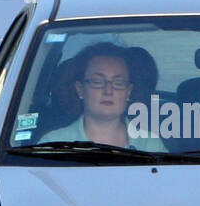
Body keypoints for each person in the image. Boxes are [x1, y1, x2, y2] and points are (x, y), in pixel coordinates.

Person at [38, 42, 167, 152]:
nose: (108, 91)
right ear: (80, 89)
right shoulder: (54, 145)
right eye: (97, 82)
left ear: (129, 91)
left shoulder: (150, 145)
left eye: (118, 83)